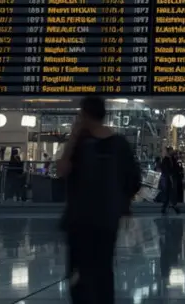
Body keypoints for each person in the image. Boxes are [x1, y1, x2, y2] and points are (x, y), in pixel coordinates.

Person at [58, 95, 142, 304]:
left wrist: (74, 136)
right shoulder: (119, 144)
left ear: (84, 115)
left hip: (80, 220)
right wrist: (121, 203)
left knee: (79, 274)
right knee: (103, 271)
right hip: (107, 220)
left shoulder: (81, 144)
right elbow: (134, 180)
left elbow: (61, 170)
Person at [160, 147, 183, 215]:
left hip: (173, 177)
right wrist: (170, 176)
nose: (172, 152)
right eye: (171, 150)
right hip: (168, 178)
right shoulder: (165, 160)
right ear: (168, 151)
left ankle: (172, 206)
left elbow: (176, 168)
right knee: (168, 192)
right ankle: (166, 207)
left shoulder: (173, 159)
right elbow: (166, 169)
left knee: (173, 192)